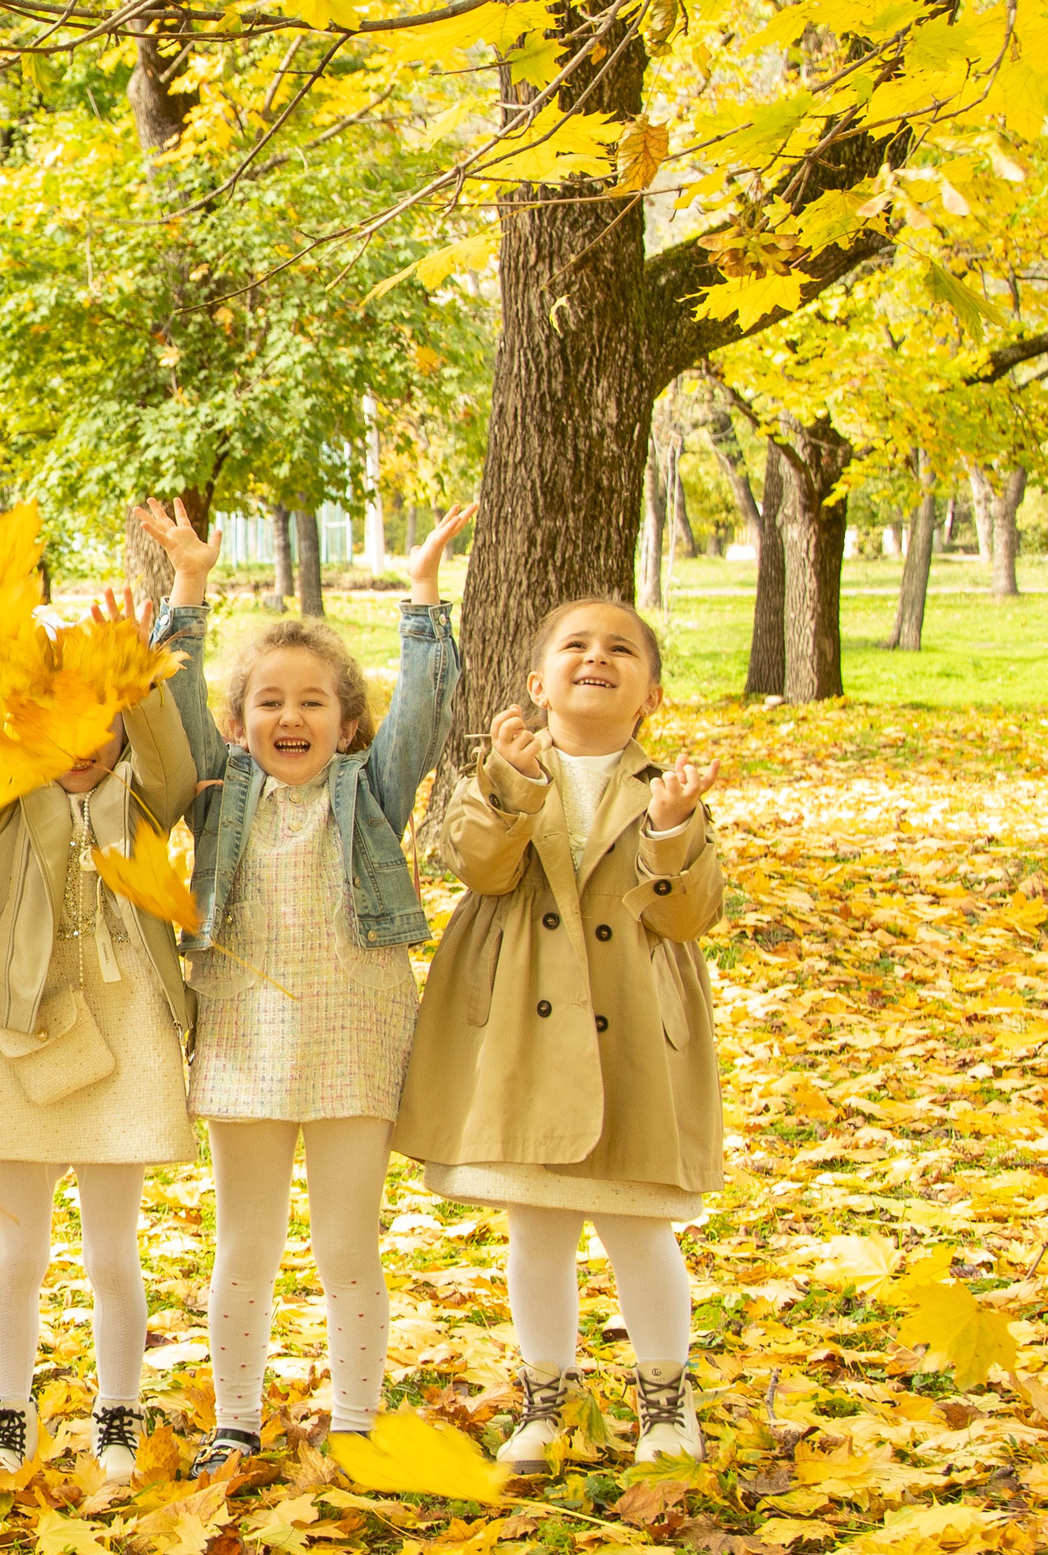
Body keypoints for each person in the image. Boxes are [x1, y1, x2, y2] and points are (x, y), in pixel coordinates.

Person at [148, 499, 473, 1476]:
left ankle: (357, 1420)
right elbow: (169, 694)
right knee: (244, 1244)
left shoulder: (367, 791)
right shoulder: (220, 793)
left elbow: (424, 716)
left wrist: (423, 598)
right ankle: (235, 1421)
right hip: (244, 1039)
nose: (290, 717)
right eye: (269, 703)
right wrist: (189, 587)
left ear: (347, 723)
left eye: (313, 703)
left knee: (346, 1245)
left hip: (354, 1040)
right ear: (237, 723)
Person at [395, 594, 723, 1471]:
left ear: (651, 695)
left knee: (639, 1223)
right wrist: (509, 784)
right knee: (535, 1226)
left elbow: (690, 916)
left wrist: (672, 829)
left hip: (631, 1036)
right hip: (522, 1031)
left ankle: (666, 1397)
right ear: (539, 683)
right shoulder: (506, 769)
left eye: (621, 649)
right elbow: (475, 864)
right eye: (576, 644)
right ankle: (547, 1395)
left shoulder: (667, 791)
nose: (597, 656)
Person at [0, 585, 200, 1484]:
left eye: (101, 720)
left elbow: (173, 760)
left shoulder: (145, 800)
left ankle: (119, 1409)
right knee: (17, 1247)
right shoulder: (13, 803)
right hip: (28, 1025)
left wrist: (139, 675)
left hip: (127, 1026)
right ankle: (10, 1408)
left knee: (111, 1249)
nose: (82, 744)